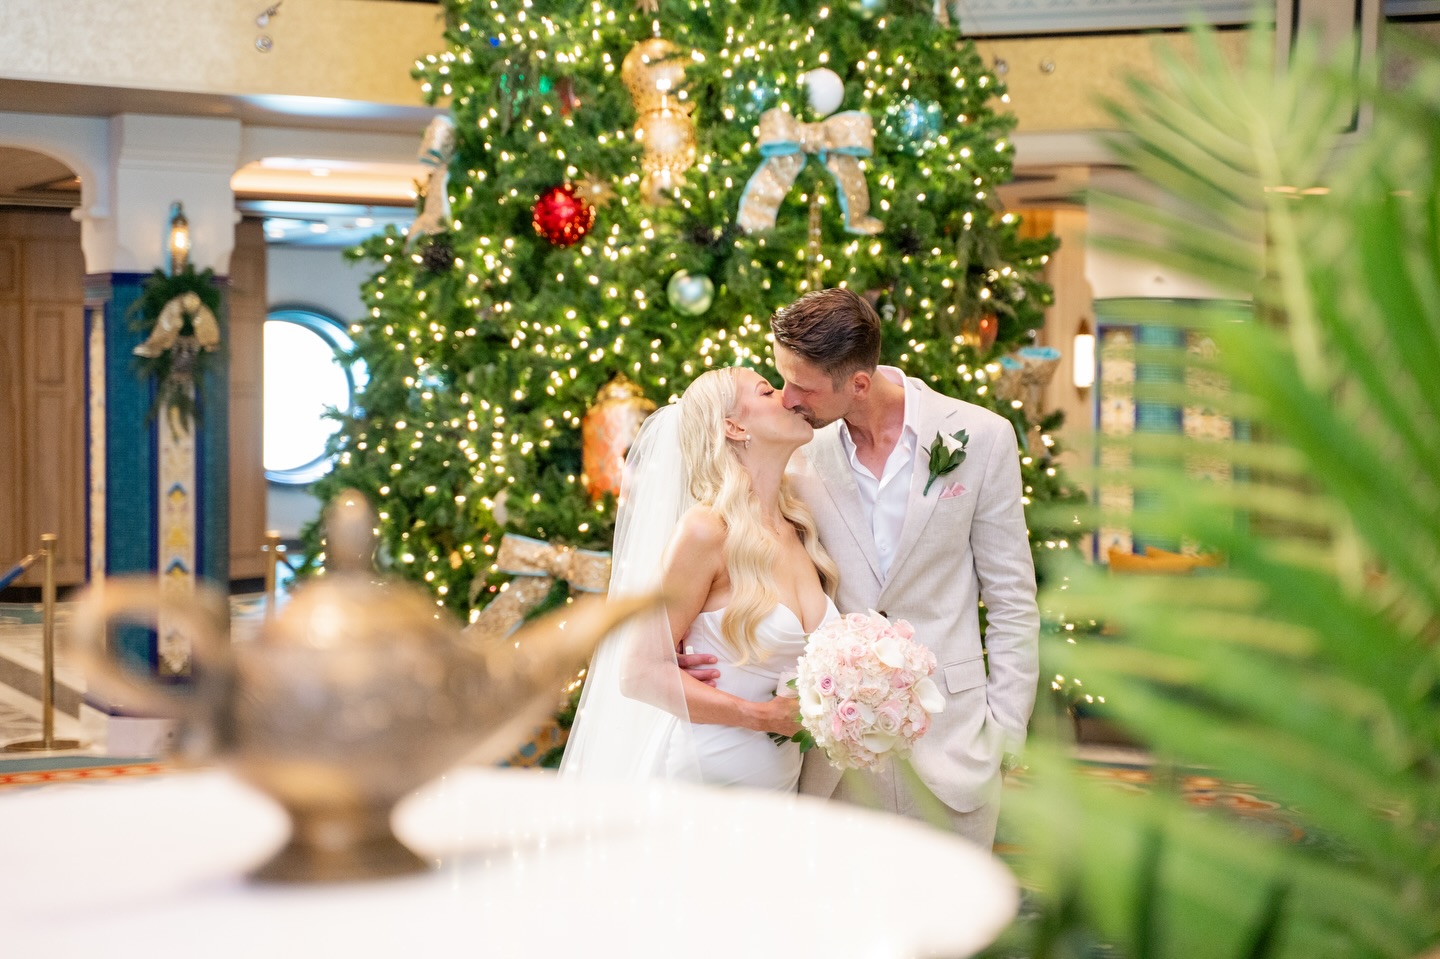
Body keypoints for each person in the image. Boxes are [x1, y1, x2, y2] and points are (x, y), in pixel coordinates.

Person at [770, 287, 1039, 849]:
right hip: (836, 758)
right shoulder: (796, 451)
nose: (787, 398)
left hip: (956, 750)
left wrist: (1005, 735)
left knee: (949, 932)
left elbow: (1013, 598)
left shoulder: (981, 438)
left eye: (804, 386)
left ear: (859, 384)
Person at [559, 366, 840, 791]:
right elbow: (638, 673)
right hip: (707, 777)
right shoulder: (706, 530)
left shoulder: (799, 527)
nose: (787, 397)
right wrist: (760, 716)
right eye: (766, 391)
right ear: (733, 426)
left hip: (779, 784)